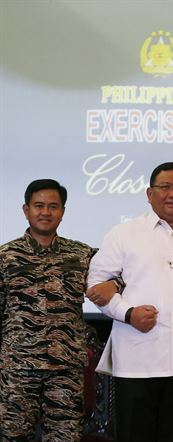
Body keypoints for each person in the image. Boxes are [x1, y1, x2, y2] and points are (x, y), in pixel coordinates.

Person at [86, 162, 173, 442]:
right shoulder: (123, 233)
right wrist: (128, 313)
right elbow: (95, 286)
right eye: (165, 187)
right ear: (149, 193)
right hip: (137, 358)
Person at [0, 179, 116, 441]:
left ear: (62, 211)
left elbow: (120, 273)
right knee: (14, 436)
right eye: (39, 205)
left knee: (65, 438)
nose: (46, 212)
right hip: (18, 368)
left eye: (53, 206)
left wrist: (113, 283)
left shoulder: (82, 255)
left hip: (65, 369)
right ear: (25, 209)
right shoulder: (5, 256)